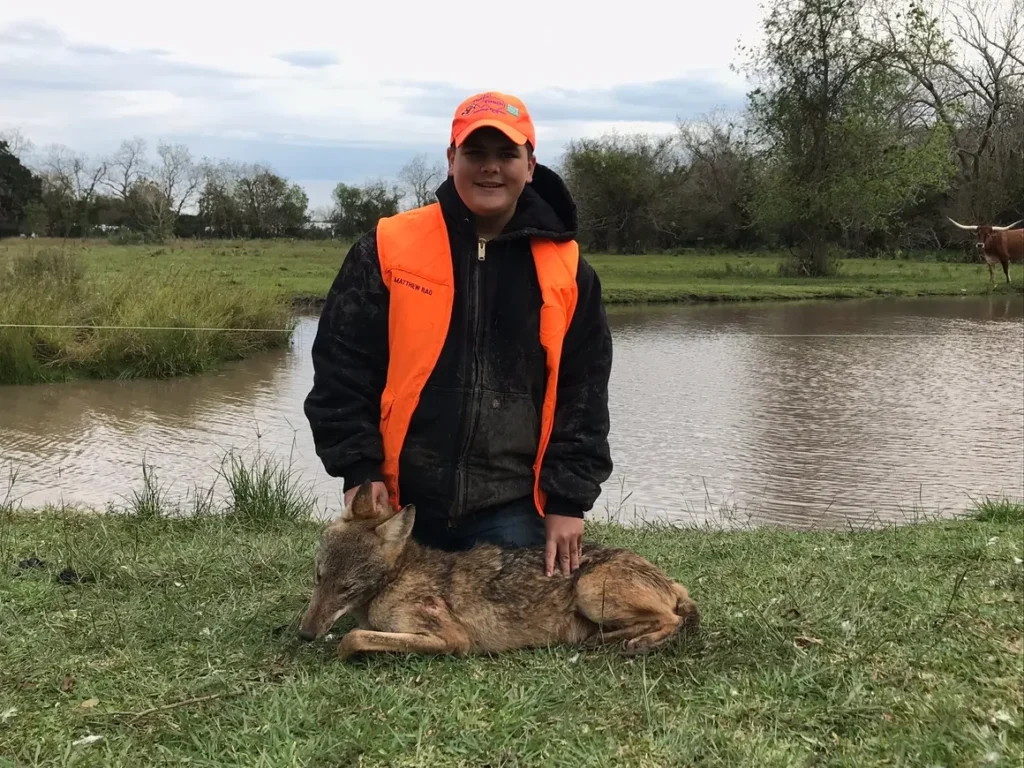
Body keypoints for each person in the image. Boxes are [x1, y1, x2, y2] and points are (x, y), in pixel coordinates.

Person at [303, 91, 613, 577]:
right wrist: (360, 471)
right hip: (400, 507)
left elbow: (584, 395)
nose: (490, 168)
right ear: (451, 160)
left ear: (530, 165)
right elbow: (342, 369)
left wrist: (568, 502)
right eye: (475, 153)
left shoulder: (570, 272)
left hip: (511, 507)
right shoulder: (386, 247)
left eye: (506, 154)